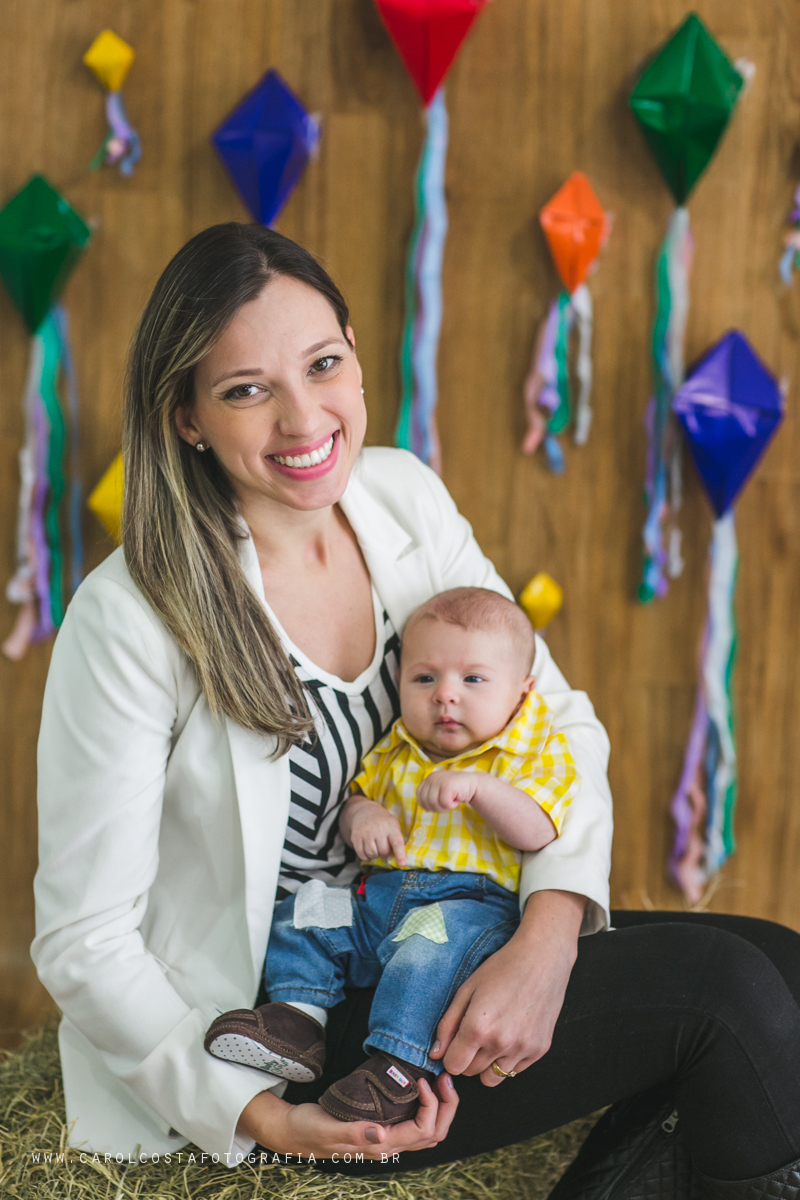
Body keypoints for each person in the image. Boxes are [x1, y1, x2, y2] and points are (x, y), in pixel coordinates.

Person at [30, 223, 800, 1195]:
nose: (303, 419)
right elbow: (82, 939)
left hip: (425, 926)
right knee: (722, 997)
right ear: (185, 416)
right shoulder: (128, 618)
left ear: (354, 351)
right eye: (245, 390)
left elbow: (551, 719)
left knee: (779, 962)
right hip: (281, 1024)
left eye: (321, 365)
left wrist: (546, 937)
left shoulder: (399, 498)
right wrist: (268, 1117)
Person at [204, 586, 580, 1126]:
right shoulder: (400, 744)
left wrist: (479, 787)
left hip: (462, 904)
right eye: (424, 678)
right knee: (306, 912)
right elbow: (359, 795)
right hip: (376, 898)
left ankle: (397, 1070)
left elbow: (541, 829)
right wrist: (362, 816)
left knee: (424, 958)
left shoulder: (532, 747)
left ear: (522, 691)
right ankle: (297, 1022)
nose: (445, 696)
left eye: (473, 679)